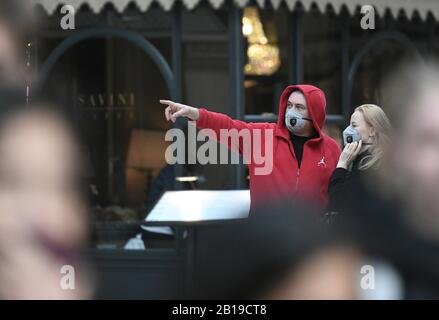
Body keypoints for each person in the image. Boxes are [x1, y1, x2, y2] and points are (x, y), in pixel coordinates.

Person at [160, 85, 341, 211]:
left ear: (315, 112)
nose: (291, 111)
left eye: (299, 107)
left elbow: (338, 194)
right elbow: (228, 127)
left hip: (311, 245)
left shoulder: (331, 149)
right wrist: (196, 114)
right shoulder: (263, 136)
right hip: (265, 239)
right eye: (289, 105)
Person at [327, 104, 392, 216]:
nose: (348, 130)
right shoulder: (383, 160)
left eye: (354, 125)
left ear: (372, 131)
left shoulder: (367, 166)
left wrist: (342, 165)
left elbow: (337, 203)